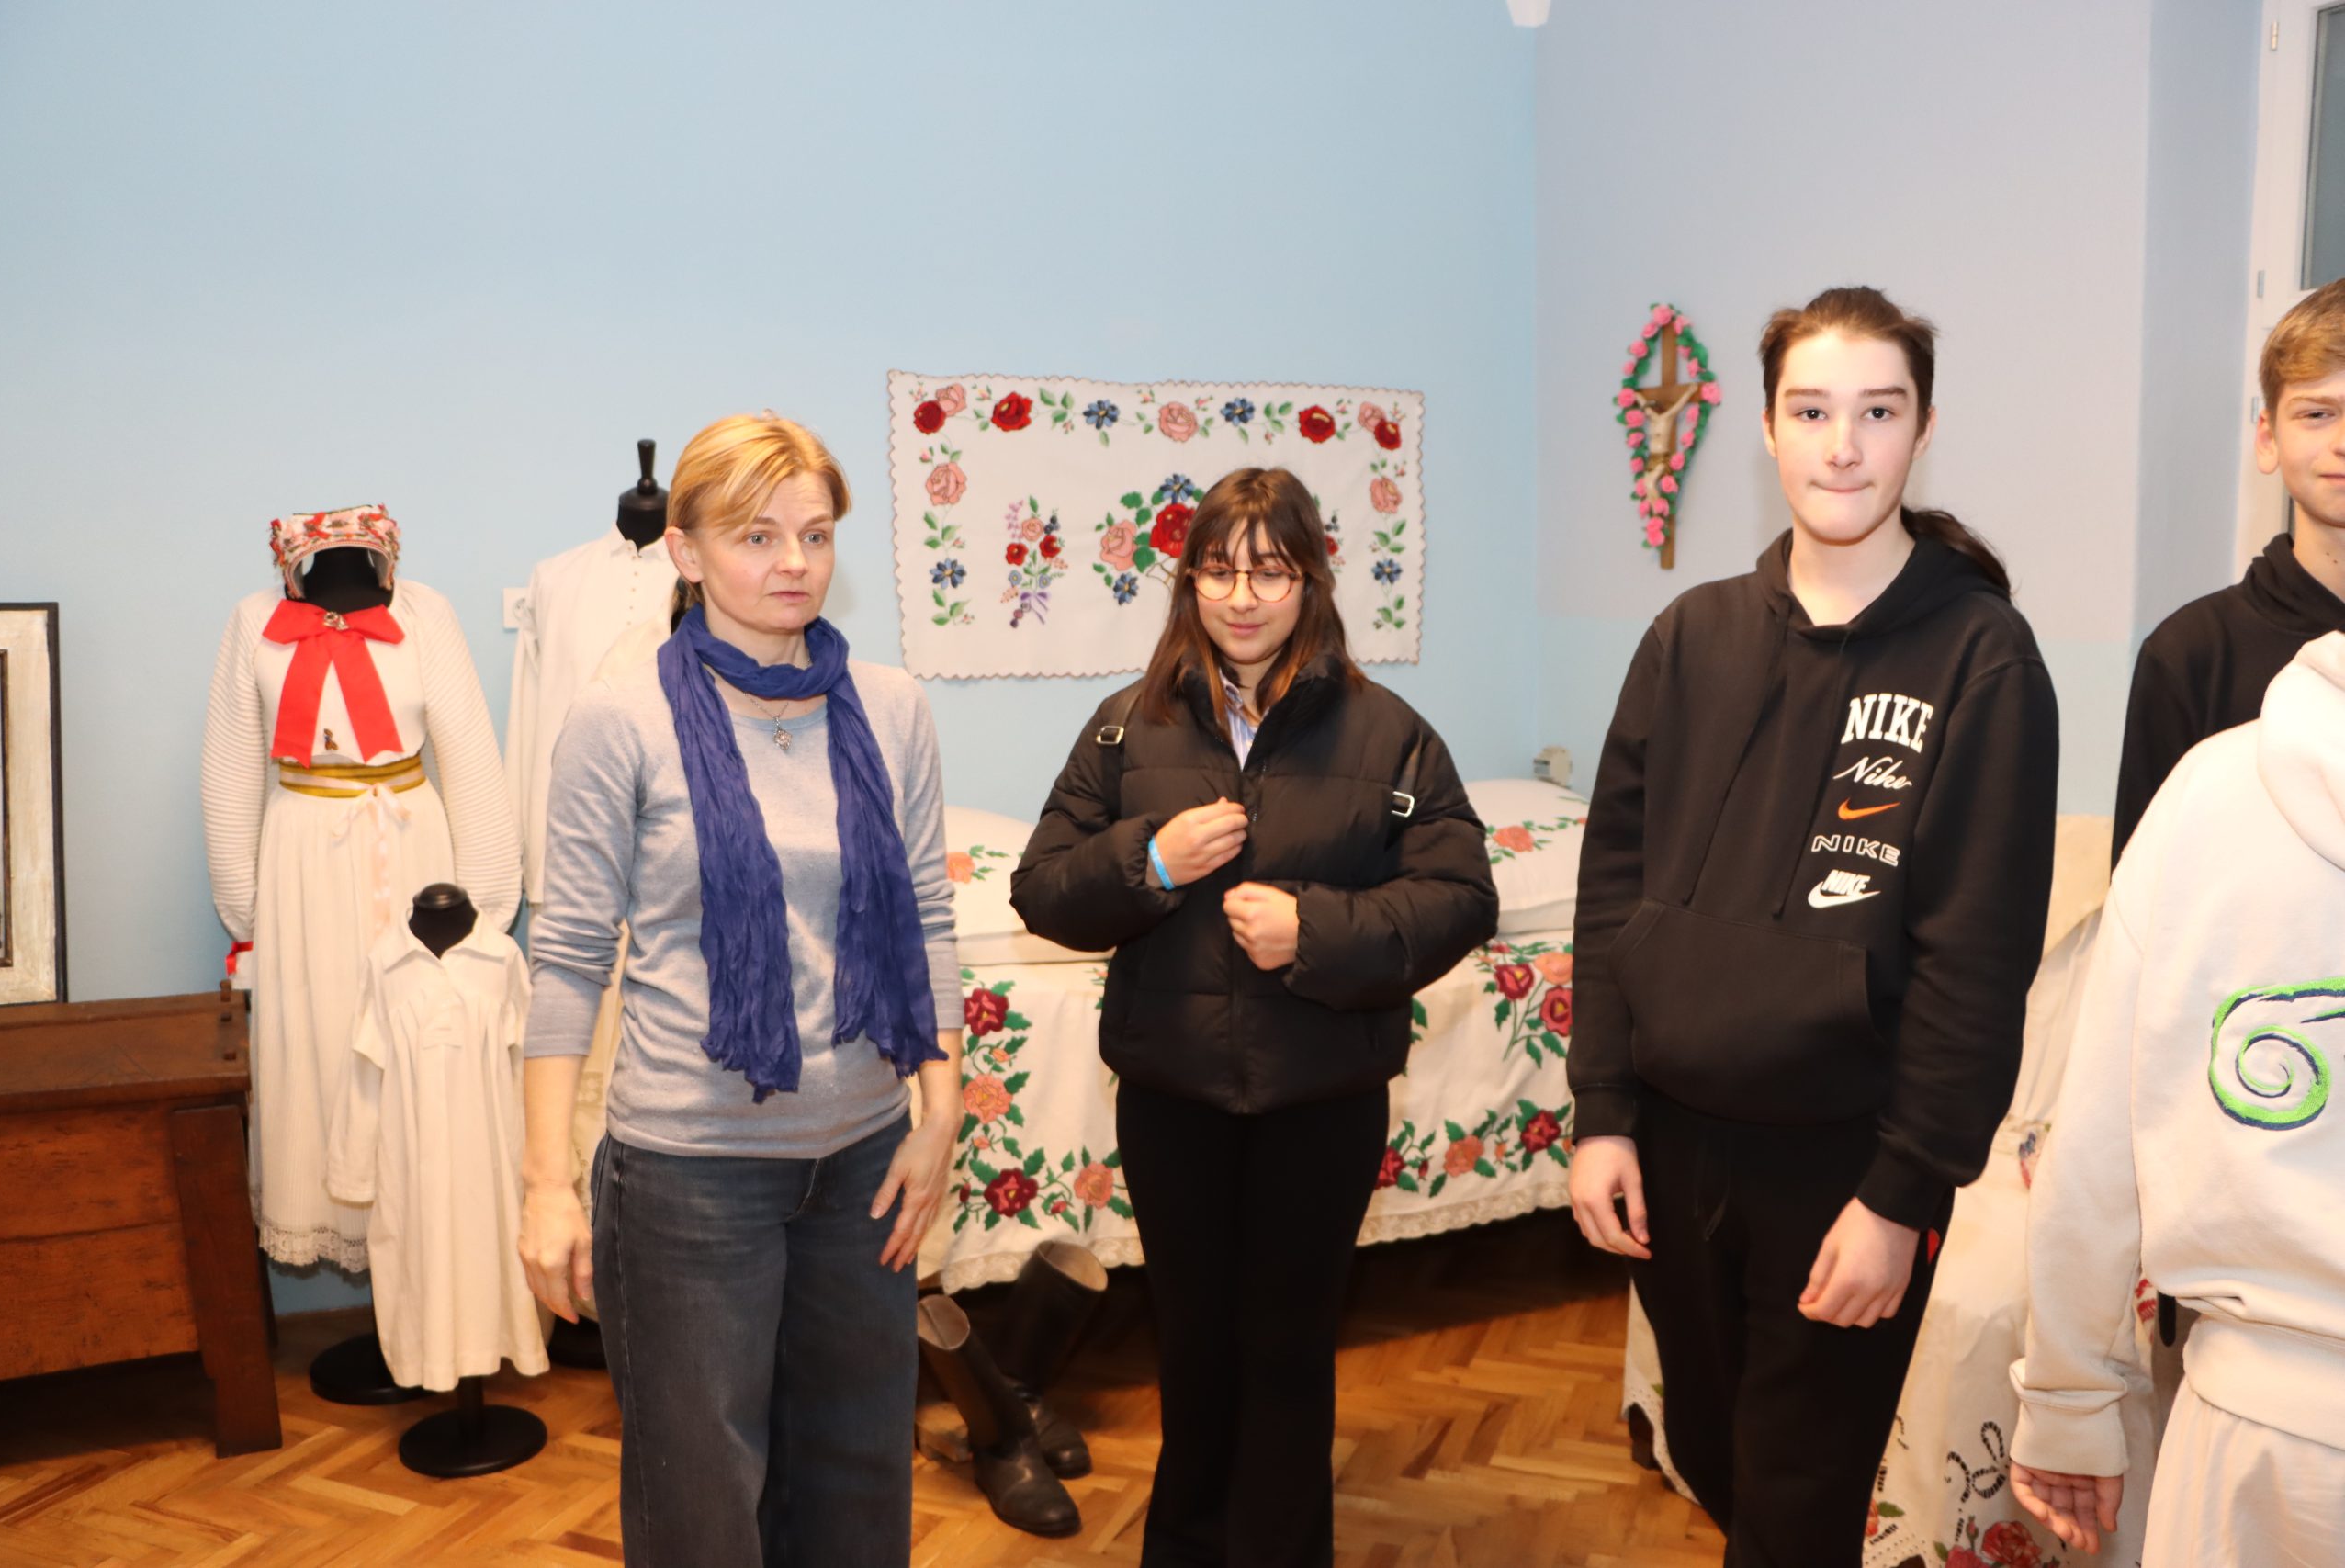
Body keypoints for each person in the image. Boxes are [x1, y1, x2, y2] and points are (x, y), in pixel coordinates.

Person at [1566, 286, 2060, 1566]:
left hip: (1847, 1159)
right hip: (1672, 1144)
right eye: (1811, 411)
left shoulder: (1983, 659)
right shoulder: (1689, 637)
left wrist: (1901, 1193)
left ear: (1923, 430)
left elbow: (1974, 958)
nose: (1843, 446)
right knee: (1720, 1463)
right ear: (1769, 429)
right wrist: (1603, 1109)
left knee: (1797, 1509)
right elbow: (1612, 888)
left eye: (1878, 412)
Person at [1010, 467, 1497, 1568]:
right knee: (1191, 1347)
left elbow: (1462, 897)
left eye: (1270, 571)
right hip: (1171, 1094)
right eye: (1219, 571)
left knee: (1287, 1353)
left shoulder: (1390, 734)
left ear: (1311, 580)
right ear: (1187, 580)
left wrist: (1314, 929)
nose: (1242, 597)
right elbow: (1041, 889)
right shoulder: (1123, 729)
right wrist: (1147, 860)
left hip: (1319, 1097)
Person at [517, 412, 964, 1568]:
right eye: (756, 536)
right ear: (687, 550)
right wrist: (545, 1186)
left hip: (864, 1163)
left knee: (859, 1478)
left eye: (814, 535)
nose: (792, 563)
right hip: (689, 1175)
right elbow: (568, 954)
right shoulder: (621, 720)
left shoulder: (893, 708)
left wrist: (939, 1112)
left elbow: (924, 918)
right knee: (702, 1502)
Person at [2010, 632, 2345, 1565]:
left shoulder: (2211, 794)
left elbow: (2097, 1142)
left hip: (2250, 1442)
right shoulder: (2209, 783)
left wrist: (2070, 1396)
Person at [2111, 276, 2345, 863]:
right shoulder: (2191, 654)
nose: (2343, 440)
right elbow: (2144, 894)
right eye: (2317, 413)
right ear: (2267, 439)